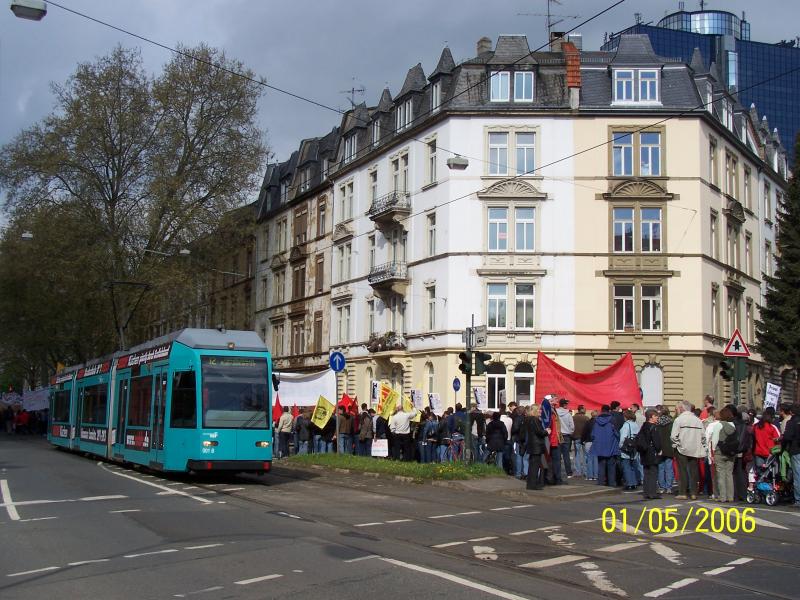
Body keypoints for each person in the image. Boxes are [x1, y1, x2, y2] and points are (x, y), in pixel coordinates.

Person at [670, 401, 707, 500]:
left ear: (682, 409)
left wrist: (677, 444)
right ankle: (694, 492)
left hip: (682, 448)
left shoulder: (679, 420)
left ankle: (683, 492)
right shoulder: (697, 420)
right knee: (694, 471)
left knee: (682, 471)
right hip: (694, 448)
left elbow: (673, 436)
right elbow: (703, 436)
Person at [592, 405, 620, 487]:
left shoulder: (596, 420)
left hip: (600, 446)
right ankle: (611, 483)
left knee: (601, 465)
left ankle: (601, 482)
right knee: (611, 466)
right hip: (611, 445)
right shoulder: (612, 420)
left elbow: (593, 434)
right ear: (609, 411)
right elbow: (617, 433)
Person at [637, 408, 662, 499]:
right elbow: (656, 441)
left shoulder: (643, 426)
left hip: (644, 452)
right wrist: (659, 449)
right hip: (652, 452)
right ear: (651, 417)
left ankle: (646, 492)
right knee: (653, 473)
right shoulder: (653, 427)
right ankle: (652, 493)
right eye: (655, 416)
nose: (657, 418)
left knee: (646, 472)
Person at [714, 407, 737, 503]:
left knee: (721, 474)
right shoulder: (733, 426)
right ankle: (730, 496)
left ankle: (722, 496)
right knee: (729, 474)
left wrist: (713, 450)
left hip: (720, 451)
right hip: (731, 452)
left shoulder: (718, 425)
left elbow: (715, 440)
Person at [780, 403, 800, 508]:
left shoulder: (791, 422)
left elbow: (787, 437)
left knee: (797, 475)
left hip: (795, 450)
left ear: (791, 412)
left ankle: (798, 500)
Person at [525, 404, 548, 490]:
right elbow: (539, 432)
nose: (541, 411)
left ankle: (530, 484)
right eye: (539, 410)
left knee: (532, 466)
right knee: (535, 466)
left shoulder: (529, 419)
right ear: (535, 411)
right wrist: (546, 431)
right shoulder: (535, 420)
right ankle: (533, 485)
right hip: (536, 445)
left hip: (532, 445)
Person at [619, 410, 641, 489]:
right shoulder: (636, 425)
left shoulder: (626, 425)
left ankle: (629, 483)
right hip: (634, 447)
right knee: (633, 466)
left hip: (627, 447)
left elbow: (623, 438)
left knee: (626, 466)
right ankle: (634, 482)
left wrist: (620, 446)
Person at [656, 407, 675, 494]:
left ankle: (661, 487)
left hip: (659, 448)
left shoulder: (657, 423)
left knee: (660, 468)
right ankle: (669, 487)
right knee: (669, 468)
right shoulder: (672, 423)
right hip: (669, 448)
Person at [704, 407, 722, 498]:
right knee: (722, 473)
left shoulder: (711, 426)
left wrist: (706, 450)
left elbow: (707, 440)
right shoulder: (724, 424)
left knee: (714, 473)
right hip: (723, 450)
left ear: (714, 417)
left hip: (713, 450)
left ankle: (715, 493)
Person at [556, 398, 574, 478]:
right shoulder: (568, 414)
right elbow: (572, 426)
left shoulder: (555, 412)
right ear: (564, 405)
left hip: (558, 435)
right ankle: (569, 473)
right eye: (566, 404)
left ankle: (558, 472)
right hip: (566, 435)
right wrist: (570, 431)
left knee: (557, 455)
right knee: (566, 455)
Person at [572, 405, 589, 478]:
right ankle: (585, 471)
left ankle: (578, 472)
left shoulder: (573, 418)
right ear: (581, 409)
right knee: (586, 455)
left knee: (577, 455)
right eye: (585, 409)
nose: (586, 410)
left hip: (576, 438)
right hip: (585, 439)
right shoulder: (586, 418)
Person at [582, 409, 598, 480]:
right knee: (596, 459)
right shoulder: (599, 423)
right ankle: (596, 475)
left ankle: (590, 476)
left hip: (588, 442)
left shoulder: (588, 422)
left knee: (589, 459)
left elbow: (584, 432)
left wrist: (582, 440)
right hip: (596, 442)